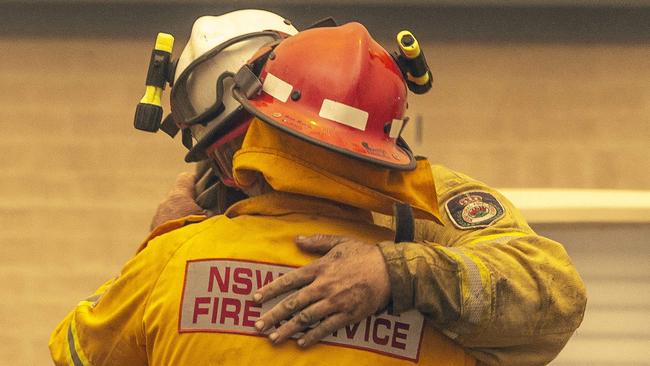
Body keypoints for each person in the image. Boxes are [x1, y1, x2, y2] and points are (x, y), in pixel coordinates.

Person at [50, 10, 587, 366]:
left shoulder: (419, 201)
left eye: (240, 143)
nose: (231, 170)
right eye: (218, 151)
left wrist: (395, 273)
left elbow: (552, 293)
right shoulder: (187, 232)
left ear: (267, 128)